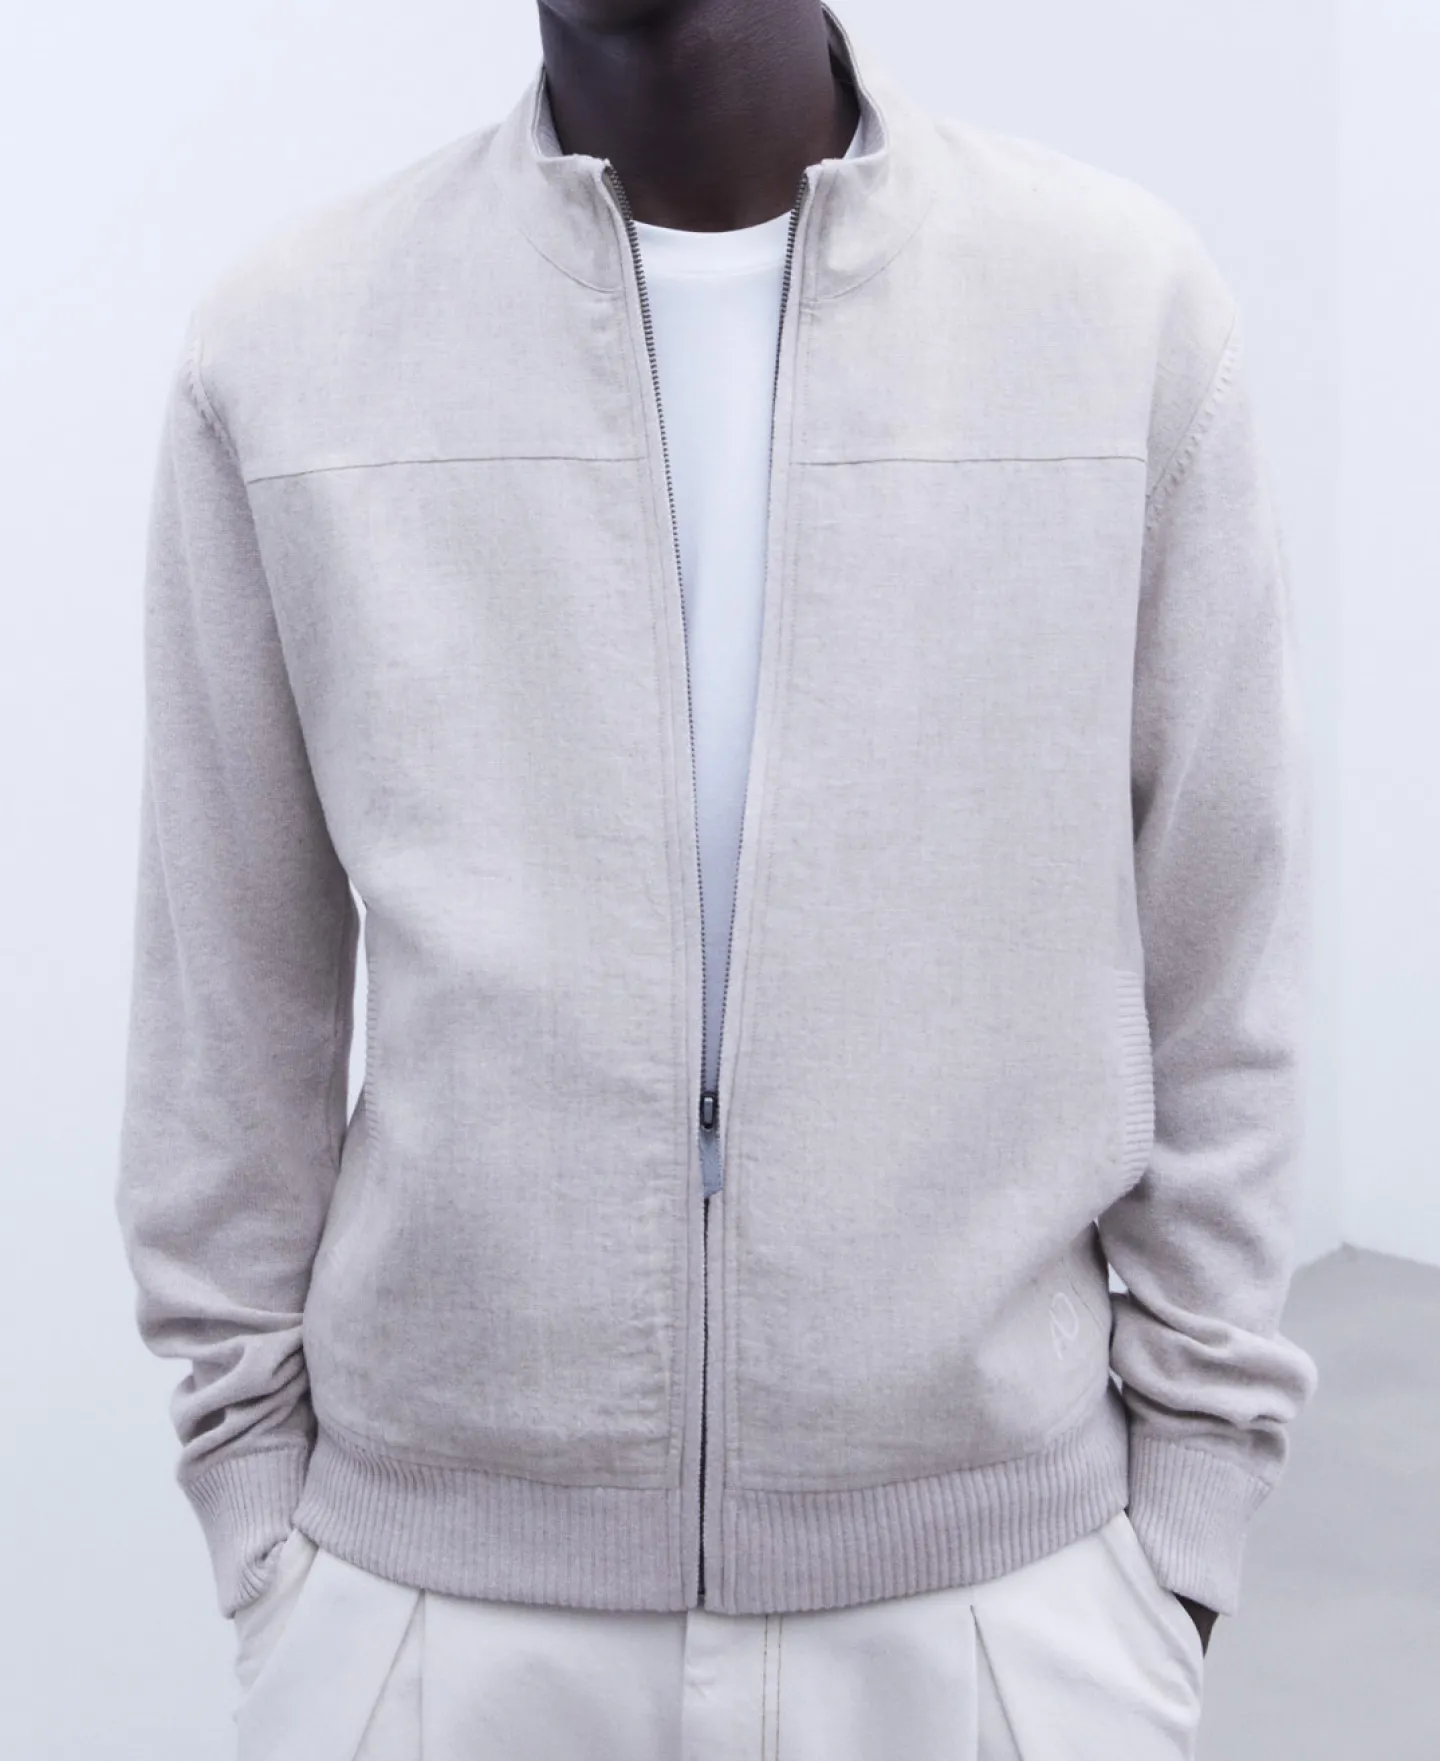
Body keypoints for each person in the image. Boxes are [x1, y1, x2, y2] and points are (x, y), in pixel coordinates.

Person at [114, 2, 1319, 1755]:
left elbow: (1222, 946)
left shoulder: (1115, 312)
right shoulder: (291, 346)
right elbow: (225, 987)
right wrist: (261, 1519)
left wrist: (1186, 1522)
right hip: (429, 1618)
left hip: (999, 1610)